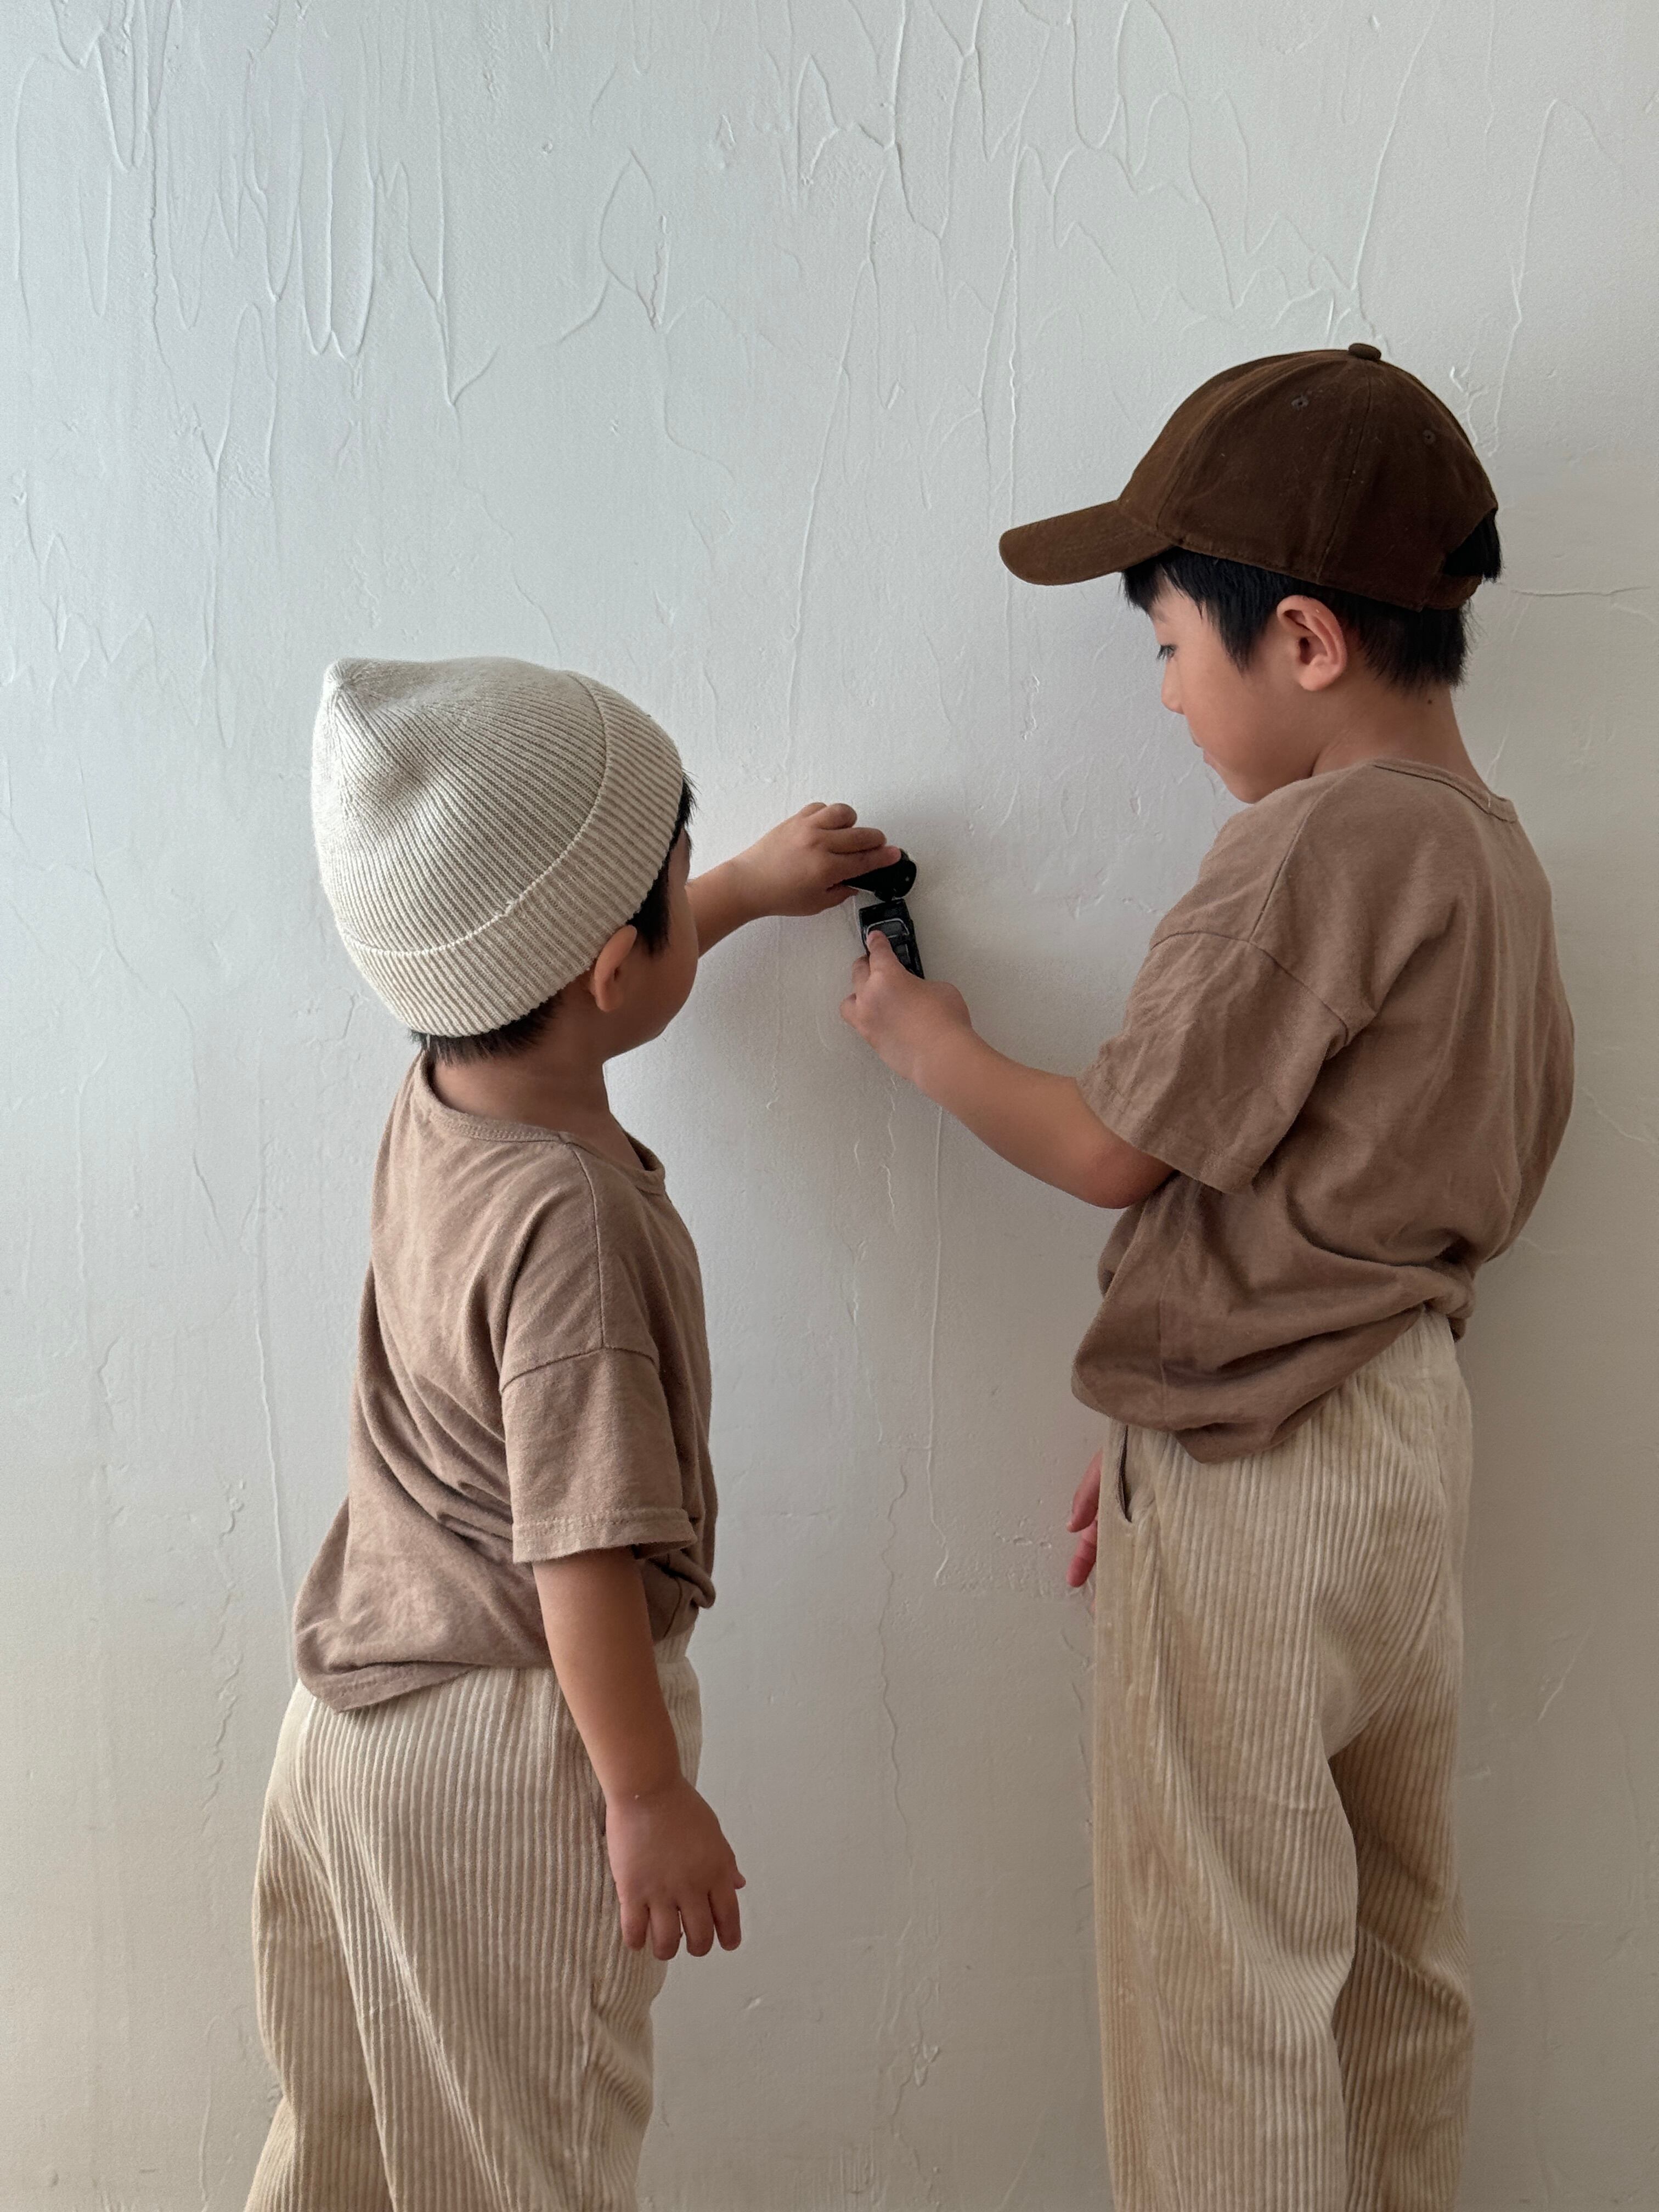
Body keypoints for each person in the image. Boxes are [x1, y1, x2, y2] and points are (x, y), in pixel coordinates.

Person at [841, 345, 1573, 2212]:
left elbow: (1120, 1147)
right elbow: (1419, 1190)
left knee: (1224, 1988)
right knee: (1397, 1951)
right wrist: (1186, 1394)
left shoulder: (1306, 848)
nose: (1167, 692)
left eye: (1170, 645)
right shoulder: (1499, 868)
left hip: (1259, 1472)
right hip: (1403, 1436)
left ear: (1304, 641)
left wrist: (931, 1042)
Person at [246, 657, 896, 2211]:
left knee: (344, 2148)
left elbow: (579, 974)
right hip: (516, 1752)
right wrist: (647, 1795)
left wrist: (730, 896)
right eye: (682, 873)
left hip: (352, 1731)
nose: (694, 878)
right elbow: (582, 1553)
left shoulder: (443, 1085)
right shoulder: (570, 1229)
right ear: (608, 967)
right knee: (519, 2166)